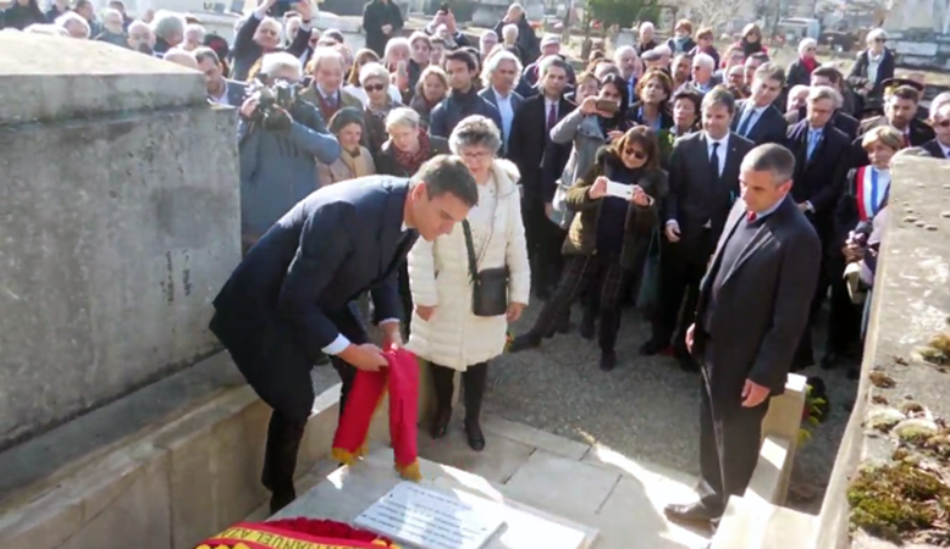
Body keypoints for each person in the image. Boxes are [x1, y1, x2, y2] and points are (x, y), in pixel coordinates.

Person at [209, 155, 478, 514]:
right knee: (296, 398)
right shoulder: (345, 213)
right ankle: (281, 490)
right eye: (445, 217)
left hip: (325, 290)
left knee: (366, 370)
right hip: (264, 304)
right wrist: (349, 350)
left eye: (456, 222)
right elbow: (294, 298)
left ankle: (346, 454)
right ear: (420, 192)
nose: (447, 229)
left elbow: (385, 272)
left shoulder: (414, 213)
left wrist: (391, 327)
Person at [664, 144, 819, 528]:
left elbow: (791, 317)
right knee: (710, 428)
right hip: (712, 344)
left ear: (784, 189)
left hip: (746, 359)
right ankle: (710, 499)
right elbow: (717, 270)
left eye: (757, 189)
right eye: (742, 184)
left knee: (735, 442)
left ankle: (732, 521)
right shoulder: (741, 207)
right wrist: (699, 322)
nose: (746, 195)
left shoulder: (799, 237)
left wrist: (765, 374)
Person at [407, 116, 530, 451]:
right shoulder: (439, 183)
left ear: (492, 154)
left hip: (488, 290)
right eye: (467, 154)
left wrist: (519, 292)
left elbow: (516, 241)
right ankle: (444, 409)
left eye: (480, 154)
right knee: (441, 358)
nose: (474, 162)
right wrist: (424, 295)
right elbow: (419, 245)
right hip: (446, 287)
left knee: (479, 360)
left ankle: (473, 418)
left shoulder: (506, 191)